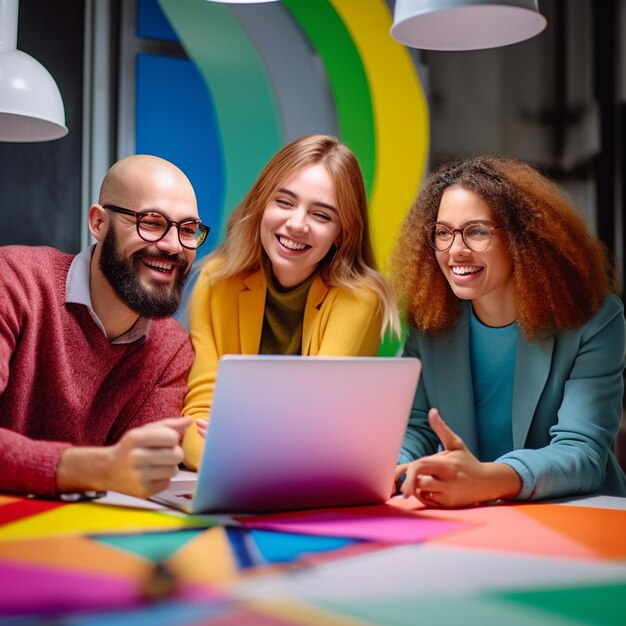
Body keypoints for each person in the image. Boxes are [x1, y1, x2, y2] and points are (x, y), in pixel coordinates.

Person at [392, 155, 626, 507]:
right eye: (443, 233)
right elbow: (416, 430)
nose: (455, 251)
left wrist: (488, 480)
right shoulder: (430, 322)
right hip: (474, 521)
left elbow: (582, 453)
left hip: (578, 520)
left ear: (524, 237)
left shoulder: (594, 320)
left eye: (476, 231)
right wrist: (394, 469)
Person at [182, 134, 399, 469]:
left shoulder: (360, 298)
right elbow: (199, 413)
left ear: (343, 233)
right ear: (261, 205)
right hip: (226, 473)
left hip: (316, 480)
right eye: (284, 202)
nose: (297, 224)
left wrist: (236, 436)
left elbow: (313, 422)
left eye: (322, 216)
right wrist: (221, 455)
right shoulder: (215, 281)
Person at [0, 155, 210, 499]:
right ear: (99, 223)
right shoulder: (13, 281)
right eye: (152, 222)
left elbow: (134, 480)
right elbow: (112, 472)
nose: (173, 246)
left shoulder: (172, 351)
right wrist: (96, 469)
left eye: (187, 230)